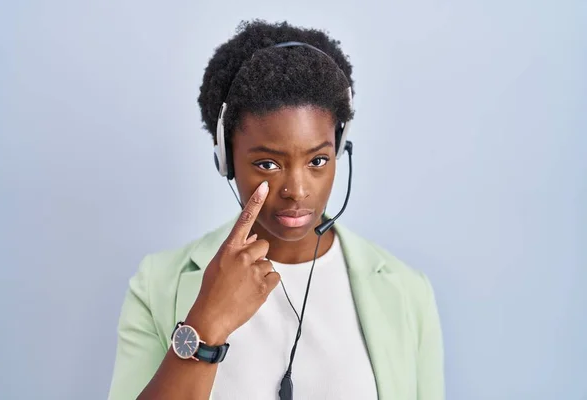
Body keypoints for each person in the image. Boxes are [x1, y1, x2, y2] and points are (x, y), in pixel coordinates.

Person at [107, 19, 445, 400]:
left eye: (317, 160)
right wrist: (206, 321)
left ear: (339, 150)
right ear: (226, 160)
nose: (296, 191)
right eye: (268, 164)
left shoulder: (407, 291)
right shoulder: (156, 284)